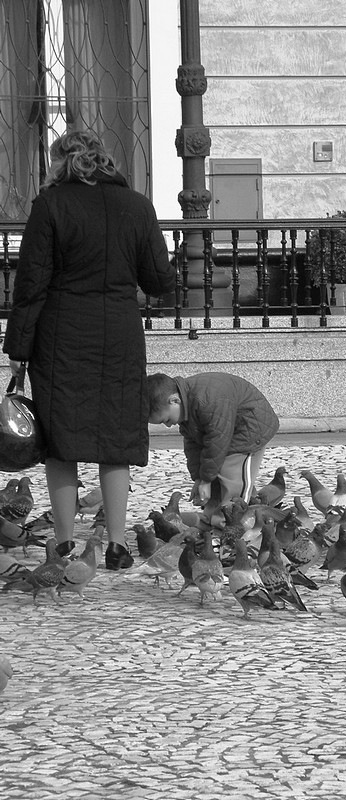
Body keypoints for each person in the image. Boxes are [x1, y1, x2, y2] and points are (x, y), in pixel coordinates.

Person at [2, 130, 176, 569]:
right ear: (106, 159)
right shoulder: (137, 206)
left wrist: (18, 348)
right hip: (118, 333)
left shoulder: (51, 205)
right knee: (115, 437)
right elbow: (160, 279)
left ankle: (63, 544)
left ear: (60, 162)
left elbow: (31, 283)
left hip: (60, 335)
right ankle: (116, 545)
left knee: (61, 441)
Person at [147, 372, 279, 507]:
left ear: (175, 400)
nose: (169, 426)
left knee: (230, 474)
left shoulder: (206, 400)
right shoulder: (185, 406)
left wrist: (205, 480)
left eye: (167, 420)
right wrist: (199, 478)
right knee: (214, 474)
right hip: (226, 431)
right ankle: (212, 518)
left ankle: (234, 518)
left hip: (250, 428)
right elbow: (193, 445)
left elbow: (217, 441)